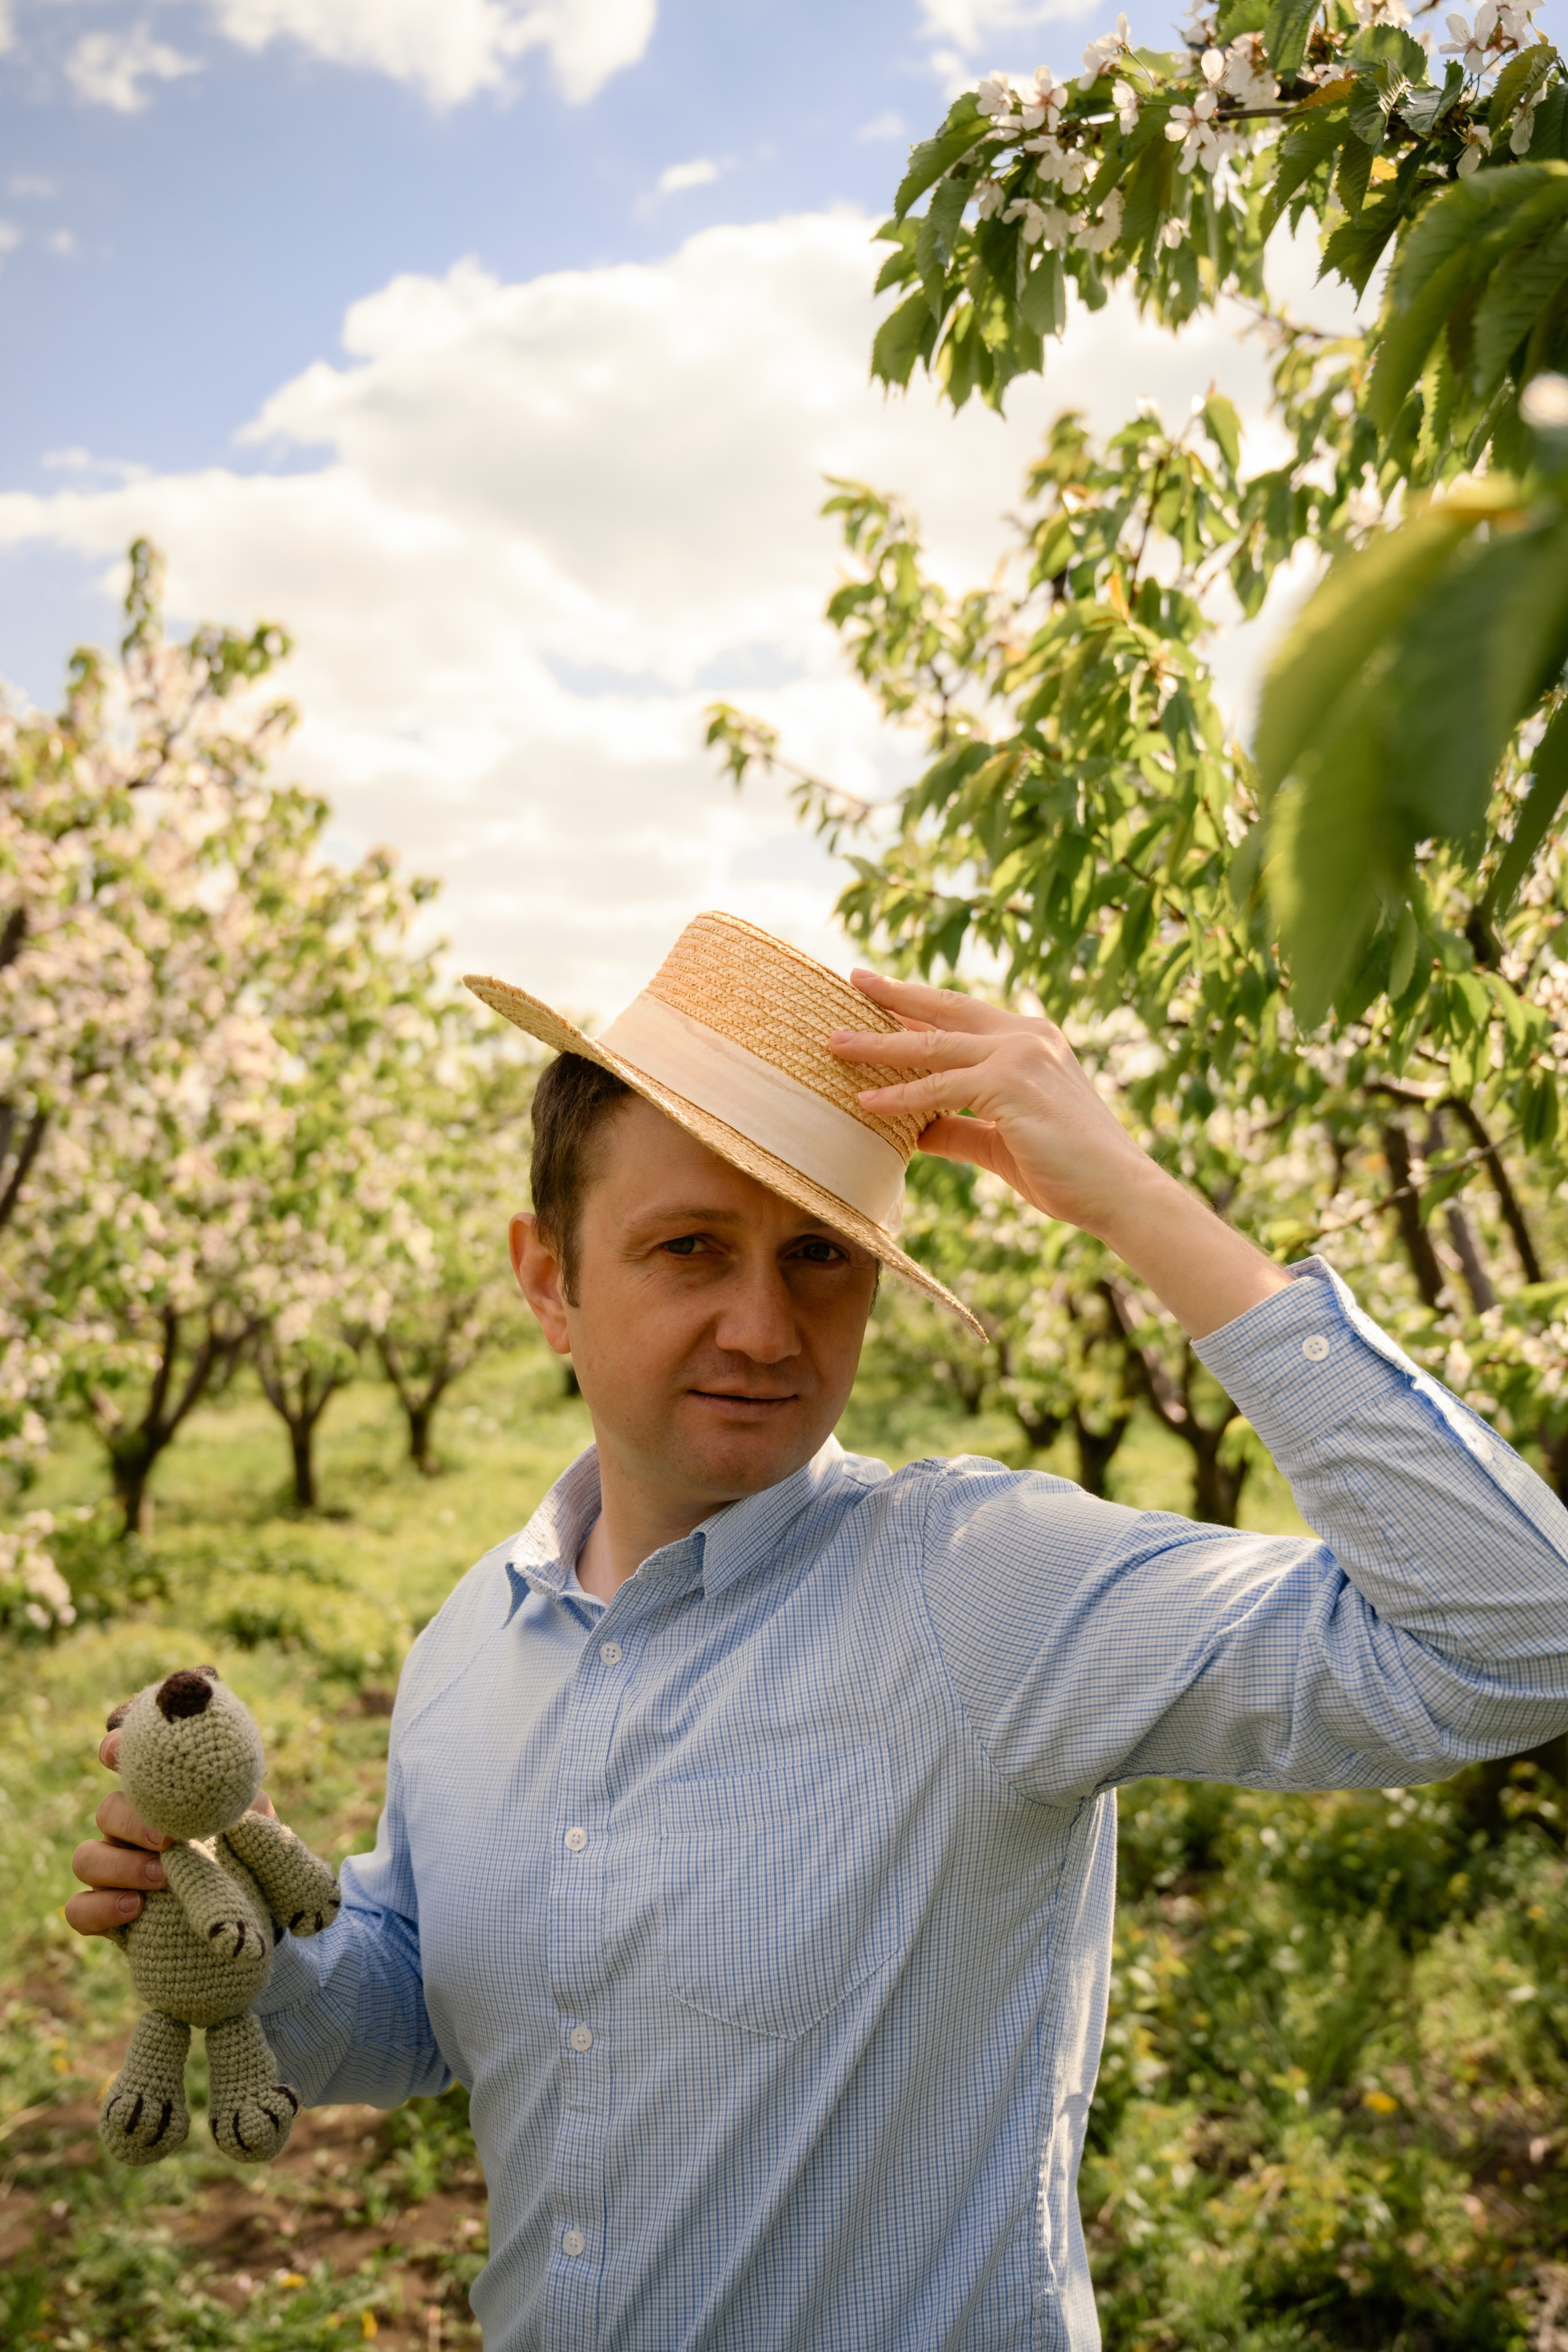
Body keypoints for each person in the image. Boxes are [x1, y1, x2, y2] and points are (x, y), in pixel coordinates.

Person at [68, 910, 1568, 2351]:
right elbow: (421, 2018)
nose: (765, 1330)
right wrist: (239, 1942)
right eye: (687, 1250)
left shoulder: (981, 1584)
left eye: (818, 1257)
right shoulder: (474, 1634)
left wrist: (1133, 1198)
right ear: (548, 1280)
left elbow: (1521, 1637)